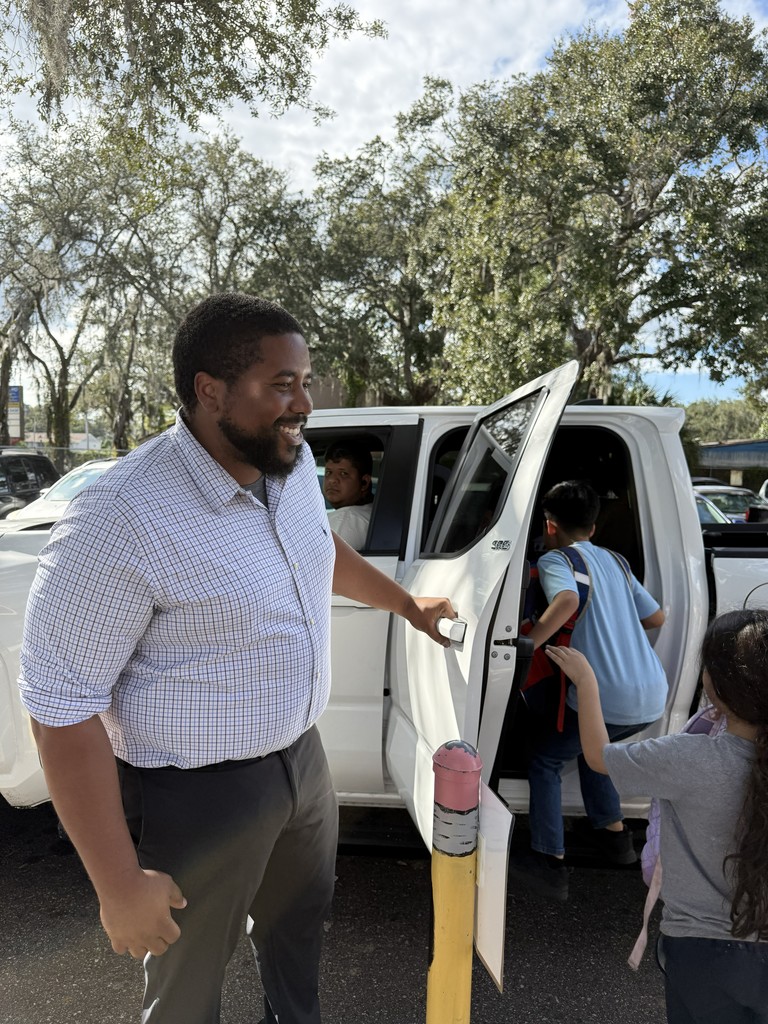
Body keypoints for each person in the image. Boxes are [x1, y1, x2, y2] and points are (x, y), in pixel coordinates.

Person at [18, 293, 455, 1024]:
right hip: (200, 796)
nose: (304, 404)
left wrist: (408, 605)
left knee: (297, 936)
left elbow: (320, 551)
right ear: (208, 391)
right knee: (188, 987)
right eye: (282, 384)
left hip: (304, 766)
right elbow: (60, 706)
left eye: (305, 380)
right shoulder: (120, 518)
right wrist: (119, 885)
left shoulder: (286, 461)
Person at [547, 610, 768, 1024]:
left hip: (702, 954)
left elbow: (597, 757)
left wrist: (587, 681)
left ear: (715, 686)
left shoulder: (687, 757)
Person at [510, 479, 668, 901]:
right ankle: (615, 840)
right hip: (651, 693)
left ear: (548, 525)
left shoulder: (556, 559)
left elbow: (565, 601)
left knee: (544, 760)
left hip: (608, 695)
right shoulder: (616, 561)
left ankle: (550, 861)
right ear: (594, 528)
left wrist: (527, 645)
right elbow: (657, 619)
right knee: (591, 751)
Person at [322, 440, 373, 551]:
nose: (331, 480)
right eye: (328, 472)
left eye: (343, 473)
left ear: (364, 482)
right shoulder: (369, 512)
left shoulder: (346, 518)